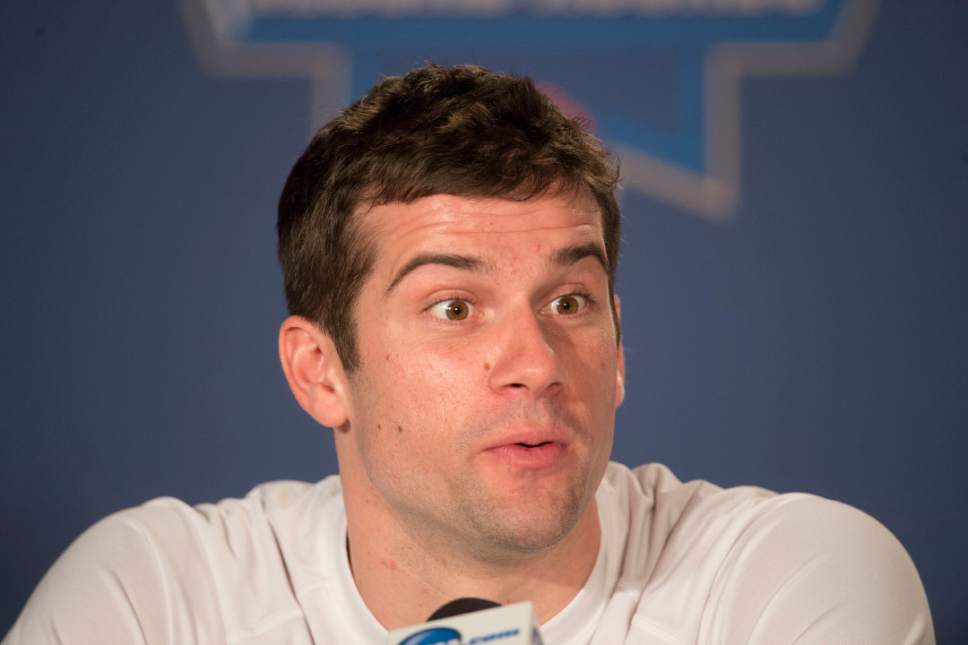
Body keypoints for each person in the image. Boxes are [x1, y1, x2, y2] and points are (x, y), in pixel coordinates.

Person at [4, 64, 933, 645]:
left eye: (570, 300)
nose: (535, 360)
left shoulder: (789, 580)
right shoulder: (159, 596)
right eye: (454, 306)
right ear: (321, 371)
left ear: (618, 349)